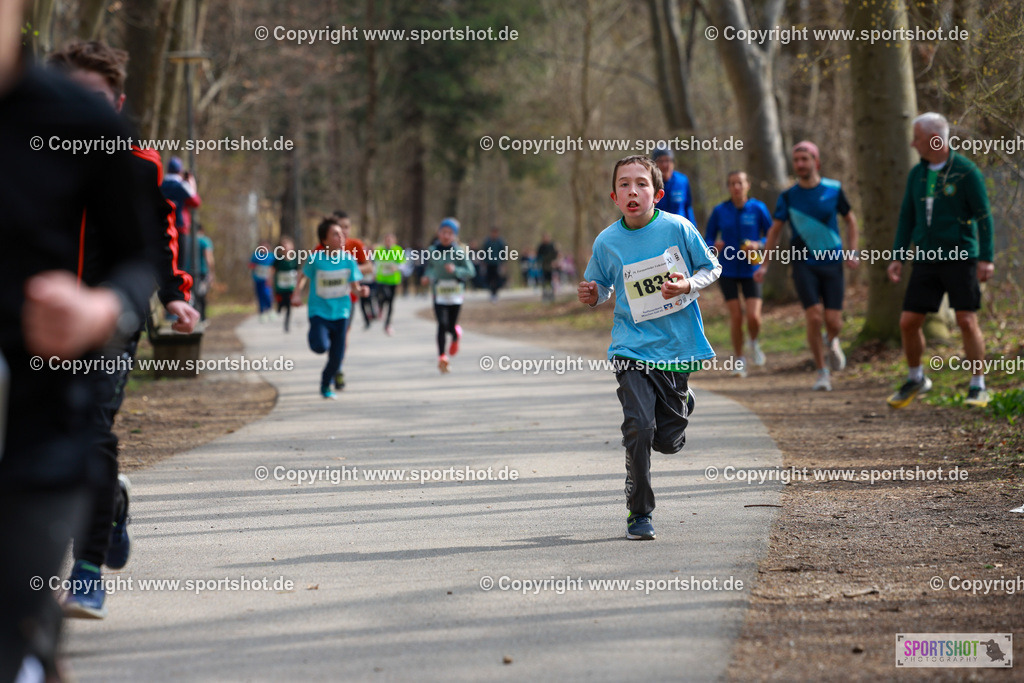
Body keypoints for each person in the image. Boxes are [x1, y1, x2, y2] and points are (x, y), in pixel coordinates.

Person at [0, 8, 157, 675]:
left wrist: (100, 307)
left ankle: (82, 570)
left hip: (46, 410)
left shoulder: (89, 128)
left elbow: (144, 254)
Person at [48, 39, 199, 622]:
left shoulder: (138, 163)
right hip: (37, 320)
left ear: (119, 102)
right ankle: (111, 506)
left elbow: (158, 239)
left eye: (99, 99)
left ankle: (86, 575)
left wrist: (178, 295)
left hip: (113, 317)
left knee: (90, 431)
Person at [578, 155, 720, 541]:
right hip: (631, 349)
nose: (632, 191)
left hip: (675, 348)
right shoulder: (607, 241)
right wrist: (593, 294)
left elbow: (712, 268)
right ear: (614, 196)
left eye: (641, 183)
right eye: (624, 184)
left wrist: (689, 285)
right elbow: (602, 286)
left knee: (667, 441)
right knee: (639, 429)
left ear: (657, 193)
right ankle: (639, 512)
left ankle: (682, 399)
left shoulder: (678, 227)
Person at [886, 113, 996, 408]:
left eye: (917, 138)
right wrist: (898, 255)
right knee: (908, 322)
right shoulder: (916, 174)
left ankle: (978, 385)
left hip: (960, 257)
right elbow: (907, 217)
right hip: (925, 258)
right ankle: (916, 378)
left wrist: (986, 257)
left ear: (935, 138)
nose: (913, 143)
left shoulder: (965, 171)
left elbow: (984, 216)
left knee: (966, 320)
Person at [755, 141, 859, 391]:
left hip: (833, 262)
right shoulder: (788, 196)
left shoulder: (834, 189)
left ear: (816, 161)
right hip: (803, 263)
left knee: (834, 321)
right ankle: (822, 372)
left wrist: (853, 251)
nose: (800, 164)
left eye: (805, 159)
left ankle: (832, 340)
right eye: (797, 160)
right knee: (813, 316)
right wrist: (764, 265)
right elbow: (775, 231)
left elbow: (851, 221)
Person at [704, 171, 772, 377]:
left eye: (740, 183)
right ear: (729, 187)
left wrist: (758, 244)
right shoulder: (719, 211)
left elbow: (771, 235)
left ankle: (754, 342)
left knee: (754, 317)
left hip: (752, 268)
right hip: (727, 269)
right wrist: (713, 246)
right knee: (736, 317)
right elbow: (706, 238)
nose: (736, 187)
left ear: (748, 185)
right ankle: (739, 359)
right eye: (732, 183)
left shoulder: (758, 208)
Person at [291, 218, 368, 398]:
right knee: (320, 346)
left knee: (337, 355)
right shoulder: (316, 259)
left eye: (342, 234)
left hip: (342, 312)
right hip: (319, 312)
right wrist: (296, 294)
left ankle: (326, 384)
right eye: (335, 234)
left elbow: (355, 287)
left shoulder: (349, 260)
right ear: (324, 240)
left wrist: (362, 291)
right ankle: (315, 337)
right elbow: (303, 275)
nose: (341, 237)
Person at [421, 218, 475, 373]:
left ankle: (456, 335)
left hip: (455, 294)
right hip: (439, 293)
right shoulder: (432, 250)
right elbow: (430, 268)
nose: (446, 236)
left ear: (454, 236)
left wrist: (456, 271)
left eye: (450, 233)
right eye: (443, 232)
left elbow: (471, 271)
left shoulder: (459, 252)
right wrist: (427, 276)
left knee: (450, 325)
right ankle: (442, 357)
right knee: (441, 324)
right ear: (439, 233)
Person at [332, 211, 375, 334]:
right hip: (327, 297)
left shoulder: (356, 244)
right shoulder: (322, 247)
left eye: (347, 227)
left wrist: (351, 270)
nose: (344, 230)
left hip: (349, 296)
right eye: (340, 227)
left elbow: (369, 267)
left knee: (344, 332)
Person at [159, 155, 201, 270]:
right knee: (179, 265)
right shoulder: (182, 186)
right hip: (179, 228)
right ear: (180, 171)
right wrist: (191, 183)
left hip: (163, 227)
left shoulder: (160, 186)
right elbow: (195, 202)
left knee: (165, 264)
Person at [652, 147, 697, 226]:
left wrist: (693, 227)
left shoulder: (682, 180)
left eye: (667, 160)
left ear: (673, 163)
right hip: (658, 229)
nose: (664, 165)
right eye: (660, 161)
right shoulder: (650, 183)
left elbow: (688, 207)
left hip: (680, 229)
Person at [373, 233, 405, 335]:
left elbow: (403, 264)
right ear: (384, 241)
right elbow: (375, 263)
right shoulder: (379, 250)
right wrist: (374, 273)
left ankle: (388, 324)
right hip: (382, 279)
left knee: (391, 302)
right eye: (387, 240)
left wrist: (397, 267)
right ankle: (380, 307)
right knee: (384, 296)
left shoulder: (398, 250)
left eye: (391, 240)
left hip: (393, 280)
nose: (389, 242)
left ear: (394, 241)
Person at [273, 235, 298, 332]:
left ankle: (286, 324)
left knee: (288, 307)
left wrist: (297, 288)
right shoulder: (278, 259)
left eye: (287, 245)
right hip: (280, 288)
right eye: (283, 246)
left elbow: (299, 273)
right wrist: (270, 281)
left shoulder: (294, 260)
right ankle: (278, 311)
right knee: (280, 305)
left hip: (290, 288)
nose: (285, 248)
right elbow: (272, 270)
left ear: (292, 247)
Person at [193, 224, 214, 321]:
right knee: (201, 295)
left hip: (187, 272)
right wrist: (211, 272)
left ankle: (192, 316)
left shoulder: (188, 239)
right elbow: (208, 257)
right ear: (202, 230)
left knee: (191, 295)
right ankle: (202, 318)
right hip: (202, 271)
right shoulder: (205, 241)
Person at [250, 240, 275, 321]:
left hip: (267, 279)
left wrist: (271, 275)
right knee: (260, 295)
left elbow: (274, 267)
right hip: (258, 279)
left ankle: (270, 309)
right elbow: (251, 265)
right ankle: (262, 312)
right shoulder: (256, 255)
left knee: (267, 294)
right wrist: (256, 267)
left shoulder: (271, 256)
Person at [481, 227, 507, 301]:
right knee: (489, 279)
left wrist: (503, 263)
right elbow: (484, 252)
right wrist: (483, 261)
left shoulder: (500, 242)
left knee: (497, 279)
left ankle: (495, 293)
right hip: (489, 263)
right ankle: (491, 292)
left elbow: (503, 253)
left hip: (497, 263)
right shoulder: (487, 242)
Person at [536, 234, 559, 302]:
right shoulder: (541, 246)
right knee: (544, 281)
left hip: (551, 265)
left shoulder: (552, 245)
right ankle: (545, 295)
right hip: (544, 266)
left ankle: (552, 295)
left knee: (552, 280)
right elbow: (538, 256)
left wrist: (554, 261)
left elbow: (555, 254)